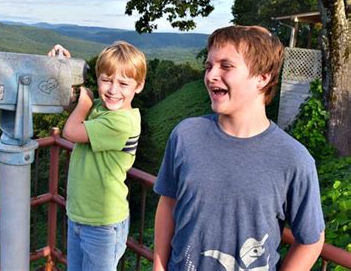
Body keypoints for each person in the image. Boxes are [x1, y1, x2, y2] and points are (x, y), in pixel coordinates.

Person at [153, 25, 325, 271]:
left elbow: (311, 240)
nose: (211, 75)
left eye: (226, 66)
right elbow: (168, 203)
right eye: (209, 65)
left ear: (262, 78)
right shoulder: (185, 135)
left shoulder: (294, 159)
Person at [48, 41, 147, 271]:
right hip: (80, 216)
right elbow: (73, 110)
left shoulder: (122, 122)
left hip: (103, 224)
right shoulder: (102, 107)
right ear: (98, 77)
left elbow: (71, 131)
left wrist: (84, 102)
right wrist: (64, 69)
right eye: (106, 80)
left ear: (138, 86)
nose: (113, 90)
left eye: (123, 83)